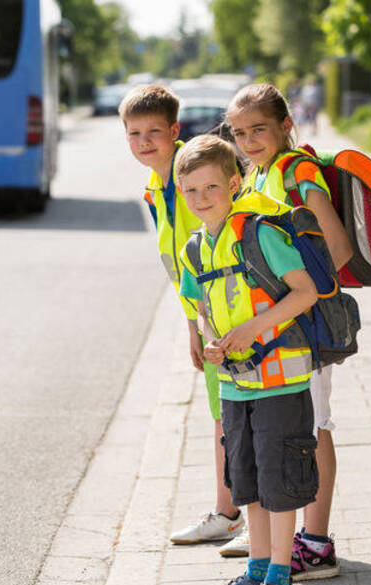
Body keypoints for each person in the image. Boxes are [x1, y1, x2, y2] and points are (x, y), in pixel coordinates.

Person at [175, 135, 319, 585]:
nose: (200, 199)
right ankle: (257, 571)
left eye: (210, 187)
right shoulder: (196, 248)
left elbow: (306, 292)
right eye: (190, 190)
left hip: (281, 381)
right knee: (248, 484)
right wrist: (211, 339)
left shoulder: (259, 234)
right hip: (236, 383)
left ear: (234, 184)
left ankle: (281, 583)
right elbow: (200, 308)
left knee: (280, 484)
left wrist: (253, 329)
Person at [225, 82, 352, 581]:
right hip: (279, 331)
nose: (249, 141)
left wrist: (293, 307)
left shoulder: (298, 173)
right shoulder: (258, 173)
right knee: (295, 429)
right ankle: (296, 538)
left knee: (315, 427)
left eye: (259, 129)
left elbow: (335, 251)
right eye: (239, 133)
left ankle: (316, 544)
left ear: (286, 126)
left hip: (305, 327)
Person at [119, 84, 245, 552]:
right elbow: (182, 268)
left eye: (154, 131)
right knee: (223, 415)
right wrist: (192, 326)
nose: (144, 141)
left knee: (239, 415)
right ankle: (227, 511)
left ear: (175, 131)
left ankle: (251, 516)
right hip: (208, 318)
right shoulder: (155, 189)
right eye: (134, 133)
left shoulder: (192, 177)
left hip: (237, 315)